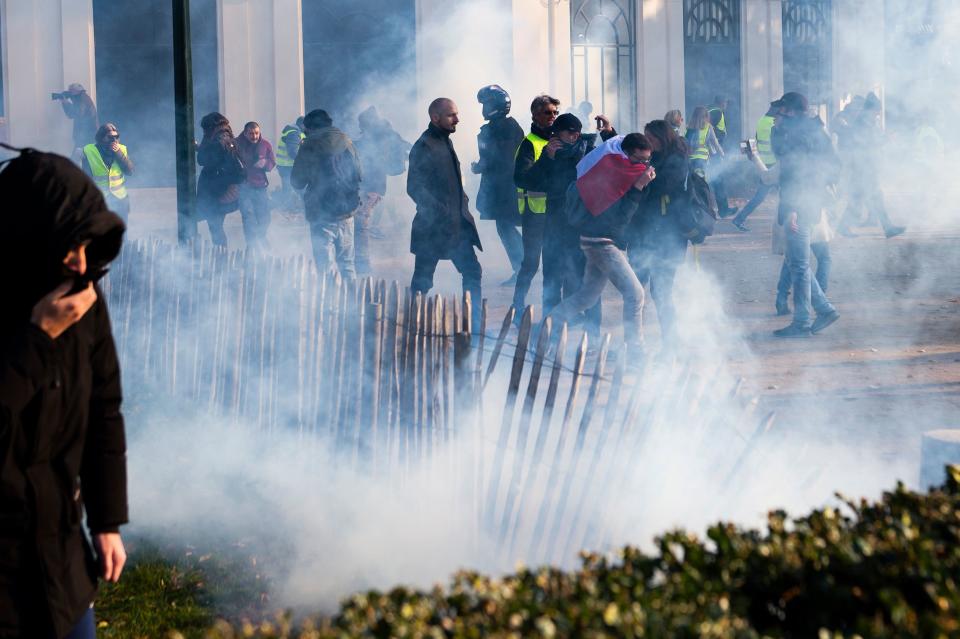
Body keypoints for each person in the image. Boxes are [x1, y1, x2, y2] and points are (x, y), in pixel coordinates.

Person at [0, 149, 128, 638]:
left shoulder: (81, 296)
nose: (79, 262)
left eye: (87, 245)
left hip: (61, 557)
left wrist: (107, 521)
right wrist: (35, 339)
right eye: (66, 245)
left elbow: (104, 410)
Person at [548, 133, 656, 361]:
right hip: (602, 242)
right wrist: (637, 188)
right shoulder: (618, 175)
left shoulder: (618, 166)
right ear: (625, 156)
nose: (643, 166)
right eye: (639, 160)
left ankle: (550, 324)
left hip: (595, 240)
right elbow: (618, 221)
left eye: (647, 160)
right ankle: (636, 352)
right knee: (635, 294)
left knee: (587, 296)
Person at [518, 112, 617, 336]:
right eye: (569, 132)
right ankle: (550, 335)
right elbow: (525, 180)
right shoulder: (548, 154)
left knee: (590, 284)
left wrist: (609, 133)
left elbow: (622, 157)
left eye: (577, 133)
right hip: (556, 229)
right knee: (552, 282)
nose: (574, 137)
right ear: (557, 134)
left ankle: (593, 338)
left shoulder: (588, 150)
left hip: (585, 227)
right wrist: (546, 159)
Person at [407, 98, 483, 330]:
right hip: (432, 228)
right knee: (423, 279)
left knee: (472, 271)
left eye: (457, 114)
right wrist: (439, 212)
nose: (457, 119)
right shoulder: (424, 145)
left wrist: (463, 203)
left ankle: (473, 324)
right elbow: (415, 188)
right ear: (435, 117)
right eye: (452, 115)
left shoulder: (445, 142)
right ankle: (413, 324)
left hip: (456, 226)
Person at [770, 91, 841, 337]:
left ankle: (804, 321)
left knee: (799, 265)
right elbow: (834, 169)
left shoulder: (794, 134)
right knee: (795, 262)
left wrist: (791, 209)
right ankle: (822, 310)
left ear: (789, 110)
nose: (778, 115)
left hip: (798, 204)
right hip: (811, 201)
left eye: (782, 110)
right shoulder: (816, 131)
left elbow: (792, 173)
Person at [627, 120, 692, 349]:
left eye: (652, 138)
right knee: (634, 291)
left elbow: (662, 187)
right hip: (641, 234)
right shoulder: (650, 158)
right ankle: (633, 342)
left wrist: (644, 176)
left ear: (663, 138)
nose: (648, 142)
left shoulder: (677, 160)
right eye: (645, 138)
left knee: (661, 292)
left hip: (668, 237)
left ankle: (671, 341)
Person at [291, 109, 362, 279]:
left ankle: (332, 304)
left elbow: (297, 181)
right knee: (347, 264)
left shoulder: (309, 144)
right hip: (346, 210)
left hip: (321, 212)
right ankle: (352, 301)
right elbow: (359, 174)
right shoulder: (346, 140)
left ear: (309, 128)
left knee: (326, 266)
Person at [471, 85, 525, 286]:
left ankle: (523, 267)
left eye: (486, 103)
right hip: (503, 187)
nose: (484, 108)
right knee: (505, 227)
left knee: (506, 227)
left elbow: (500, 157)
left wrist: (480, 166)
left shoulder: (504, 128)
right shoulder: (502, 126)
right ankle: (522, 266)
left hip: (507, 188)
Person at [512, 95, 560, 319]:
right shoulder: (529, 143)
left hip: (556, 214)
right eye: (547, 112)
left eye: (554, 113)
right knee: (531, 264)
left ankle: (551, 311)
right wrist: (547, 158)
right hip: (535, 213)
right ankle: (517, 305)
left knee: (554, 264)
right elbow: (521, 178)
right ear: (535, 115)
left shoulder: (558, 140)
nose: (552, 117)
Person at [835, 93, 906, 239]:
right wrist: (886, 139)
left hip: (865, 168)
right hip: (863, 169)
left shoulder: (866, 123)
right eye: (876, 111)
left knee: (861, 199)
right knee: (867, 198)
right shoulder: (862, 124)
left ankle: (886, 227)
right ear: (869, 111)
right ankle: (887, 228)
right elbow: (865, 144)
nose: (878, 114)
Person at [353, 106, 412, 277]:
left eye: (361, 123)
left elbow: (407, 150)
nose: (360, 126)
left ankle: (362, 265)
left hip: (370, 187)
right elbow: (408, 149)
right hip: (374, 187)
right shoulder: (387, 135)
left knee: (360, 225)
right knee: (360, 225)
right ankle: (360, 263)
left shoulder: (380, 137)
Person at [196, 112, 244, 247]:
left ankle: (221, 258)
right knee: (214, 225)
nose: (204, 132)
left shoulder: (220, 140)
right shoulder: (222, 137)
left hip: (217, 190)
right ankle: (220, 255)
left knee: (214, 226)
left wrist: (231, 186)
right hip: (216, 188)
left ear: (210, 127)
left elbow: (202, 159)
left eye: (205, 129)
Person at [731, 103, 780, 232]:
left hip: (764, 164)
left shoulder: (762, 121)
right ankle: (784, 224)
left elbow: (757, 140)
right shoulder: (775, 123)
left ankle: (739, 219)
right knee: (789, 195)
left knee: (760, 196)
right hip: (775, 164)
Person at [775, 208, 832, 316]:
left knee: (792, 258)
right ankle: (820, 300)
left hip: (792, 214)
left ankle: (781, 300)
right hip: (805, 214)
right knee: (824, 258)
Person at [235, 121, 277, 254]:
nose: (254, 136)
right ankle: (252, 246)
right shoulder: (236, 144)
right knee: (248, 217)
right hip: (244, 187)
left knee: (265, 217)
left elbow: (272, 162)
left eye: (257, 133)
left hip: (261, 187)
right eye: (251, 134)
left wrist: (265, 163)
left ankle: (261, 238)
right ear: (245, 133)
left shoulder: (265, 145)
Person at [81, 123, 134, 223]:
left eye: (116, 137)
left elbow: (130, 171)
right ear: (101, 138)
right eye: (110, 137)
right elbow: (85, 177)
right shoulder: (89, 151)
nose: (114, 140)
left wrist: (118, 153)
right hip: (100, 199)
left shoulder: (121, 149)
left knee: (121, 231)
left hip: (120, 198)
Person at [55, 83, 99, 156]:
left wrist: (66, 103)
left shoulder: (82, 98)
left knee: (76, 157)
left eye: (70, 91)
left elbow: (78, 113)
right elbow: (71, 115)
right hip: (85, 134)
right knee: (84, 156)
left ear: (76, 91)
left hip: (87, 134)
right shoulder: (80, 98)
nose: (69, 93)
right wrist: (65, 103)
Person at [274, 118, 305, 210]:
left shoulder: (296, 132)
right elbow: (293, 152)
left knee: (290, 190)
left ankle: (289, 210)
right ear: (302, 124)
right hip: (289, 167)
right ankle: (289, 211)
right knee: (294, 190)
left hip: (286, 166)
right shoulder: (294, 133)